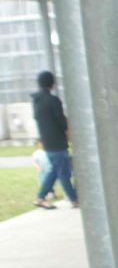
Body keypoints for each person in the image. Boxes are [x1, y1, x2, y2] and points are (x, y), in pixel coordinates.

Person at [31, 70, 78, 210]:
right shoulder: (53, 100)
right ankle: (74, 200)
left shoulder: (36, 101)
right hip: (58, 142)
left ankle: (40, 197)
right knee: (63, 172)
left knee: (55, 171)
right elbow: (61, 121)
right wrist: (69, 134)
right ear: (52, 82)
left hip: (47, 142)